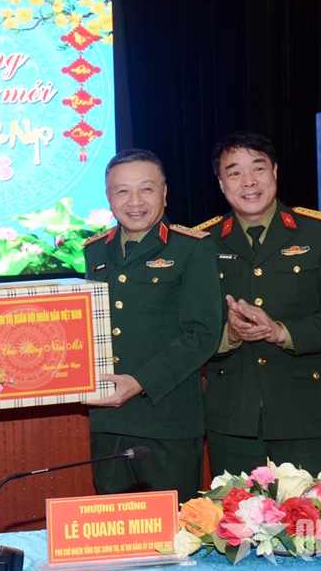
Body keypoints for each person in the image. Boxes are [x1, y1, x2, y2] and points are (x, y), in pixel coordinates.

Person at [197, 131, 321, 477]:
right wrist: (228, 334)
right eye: (234, 172)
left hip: (307, 417)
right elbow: (189, 328)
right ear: (221, 184)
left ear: (274, 171)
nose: (248, 181)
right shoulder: (201, 243)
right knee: (236, 513)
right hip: (233, 421)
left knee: (314, 513)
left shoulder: (318, 233)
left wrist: (281, 332)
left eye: (258, 168)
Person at [83, 149, 221, 504]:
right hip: (108, 421)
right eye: (122, 191)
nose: (135, 201)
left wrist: (140, 382)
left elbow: (203, 334)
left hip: (168, 422)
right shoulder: (95, 251)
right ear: (108, 197)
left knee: (172, 529)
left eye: (146, 189)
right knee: (114, 529)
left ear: (164, 192)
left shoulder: (192, 249)